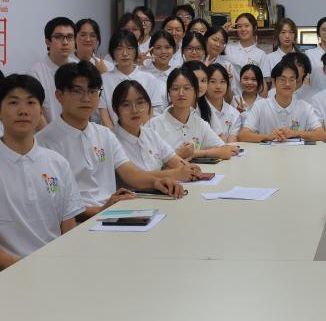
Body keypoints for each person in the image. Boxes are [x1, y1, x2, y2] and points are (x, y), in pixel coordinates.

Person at [0, 74, 84, 284]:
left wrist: (63, 265)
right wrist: (25, 267)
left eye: (31, 103)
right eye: (13, 103)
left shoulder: (58, 163)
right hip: (3, 277)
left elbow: (68, 228)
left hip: (56, 272)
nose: (23, 110)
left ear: (40, 111)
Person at [36, 63, 185, 220]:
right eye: (77, 91)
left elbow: (131, 174)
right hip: (78, 222)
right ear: (59, 95)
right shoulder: (43, 142)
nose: (86, 98)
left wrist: (158, 182)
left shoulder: (105, 134)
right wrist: (100, 210)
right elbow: (54, 202)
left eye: (92, 91)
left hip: (114, 212)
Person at [110, 80, 205, 181]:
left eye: (140, 103)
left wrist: (188, 168)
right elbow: (135, 177)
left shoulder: (150, 134)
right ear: (115, 109)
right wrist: (173, 174)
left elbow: (174, 160)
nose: (135, 110)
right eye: (126, 105)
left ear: (148, 105)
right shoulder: (110, 139)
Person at [149, 67, 240, 159]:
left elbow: (224, 150)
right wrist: (177, 154)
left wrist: (194, 153)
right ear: (169, 93)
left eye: (186, 88)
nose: (181, 93)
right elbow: (148, 162)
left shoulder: (200, 124)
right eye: (175, 89)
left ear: (195, 93)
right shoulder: (153, 126)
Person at [238, 60, 326, 142]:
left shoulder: (305, 107)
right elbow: (243, 135)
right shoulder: (260, 106)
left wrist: (296, 133)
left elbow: (322, 135)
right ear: (274, 81)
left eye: (292, 79)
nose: (287, 84)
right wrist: (268, 136)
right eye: (282, 79)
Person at [98, 30, 165, 127]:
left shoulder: (149, 79)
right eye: (119, 48)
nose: (125, 53)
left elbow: (151, 113)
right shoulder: (103, 80)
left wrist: (142, 133)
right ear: (112, 52)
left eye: (129, 48)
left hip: (144, 133)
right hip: (113, 134)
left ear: (136, 51)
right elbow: (104, 115)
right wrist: (115, 135)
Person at [27, 15, 76, 124]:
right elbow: (37, 112)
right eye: (58, 37)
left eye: (69, 37)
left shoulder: (79, 68)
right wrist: (50, 134)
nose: (65, 42)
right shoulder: (35, 74)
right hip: (49, 132)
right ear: (48, 42)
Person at [205, 63, 244, 142]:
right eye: (213, 81)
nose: (218, 86)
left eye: (222, 81)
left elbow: (232, 142)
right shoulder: (197, 109)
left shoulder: (234, 113)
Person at [263, 17, 299, 89]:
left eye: (291, 32)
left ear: (295, 35)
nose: (287, 36)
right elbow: (267, 85)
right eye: (283, 32)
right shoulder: (269, 58)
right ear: (277, 35)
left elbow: (305, 82)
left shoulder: (301, 58)